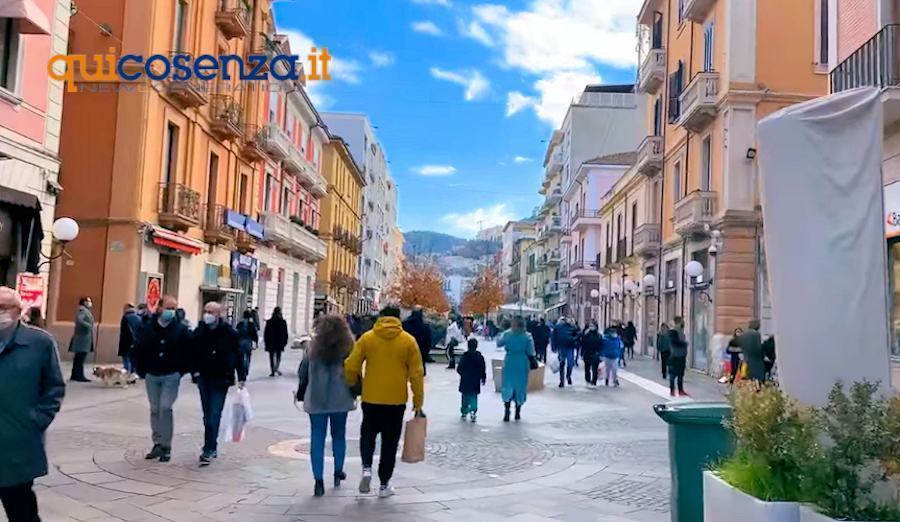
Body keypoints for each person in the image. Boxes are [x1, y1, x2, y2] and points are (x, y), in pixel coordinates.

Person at [0, 287, 65, 522]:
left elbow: (54, 387)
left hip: (19, 443)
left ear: (18, 311)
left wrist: (35, 420)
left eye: (3, 308)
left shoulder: (40, 343)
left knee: (22, 512)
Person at [345, 306, 424, 498]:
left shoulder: (368, 338)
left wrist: (353, 384)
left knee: (368, 434)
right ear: (398, 319)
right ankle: (384, 484)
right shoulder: (408, 341)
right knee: (390, 443)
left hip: (371, 397)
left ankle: (366, 469)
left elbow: (351, 365)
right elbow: (416, 373)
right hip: (396, 400)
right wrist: (418, 401)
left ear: (381, 317)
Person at [297, 315, 356, 497]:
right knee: (339, 435)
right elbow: (354, 370)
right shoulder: (348, 347)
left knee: (317, 438)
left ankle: (318, 480)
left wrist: (301, 391)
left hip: (317, 397)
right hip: (341, 398)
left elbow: (303, 372)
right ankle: (338, 471)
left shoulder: (312, 347)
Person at [134, 295, 191, 462]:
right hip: (152, 374)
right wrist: (142, 370)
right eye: (168, 308)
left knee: (165, 407)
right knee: (155, 408)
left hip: (171, 375)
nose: (171, 312)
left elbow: (188, 351)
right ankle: (157, 443)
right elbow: (139, 349)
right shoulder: (148, 327)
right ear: (159, 308)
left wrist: (181, 370)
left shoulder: (180, 329)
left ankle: (166, 445)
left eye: (174, 308)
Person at [190, 302, 246, 466]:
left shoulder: (230, 333)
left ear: (219, 314)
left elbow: (238, 356)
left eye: (211, 312)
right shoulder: (199, 331)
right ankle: (211, 444)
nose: (207, 314)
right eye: (206, 311)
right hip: (204, 378)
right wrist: (195, 372)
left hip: (221, 379)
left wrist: (241, 376)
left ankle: (208, 449)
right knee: (207, 414)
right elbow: (192, 353)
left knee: (214, 414)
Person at [497, 316, 535, 422]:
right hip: (522, 362)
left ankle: (506, 411)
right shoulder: (527, 336)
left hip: (509, 361)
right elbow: (531, 351)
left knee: (507, 385)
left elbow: (499, 343)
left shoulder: (507, 334)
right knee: (520, 386)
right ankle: (518, 411)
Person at [456, 337, 486, 422]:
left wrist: (462, 374)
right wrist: (483, 377)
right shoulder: (479, 357)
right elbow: (482, 369)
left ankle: (464, 411)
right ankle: (473, 410)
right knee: (473, 397)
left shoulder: (464, 357)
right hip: (475, 381)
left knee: (465, 397)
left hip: (465, 380)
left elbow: (459, 368)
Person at [69, 296, 95, 382]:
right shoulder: (83, 311)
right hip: (82, 338)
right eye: (88, 301)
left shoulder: (84, 310)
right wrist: (89, 326)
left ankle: (75, 375)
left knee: (78, 358)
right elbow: (79, 320)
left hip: (82, 338)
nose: (90, 303)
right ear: (84, 302)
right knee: (80, 358)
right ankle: (79, 375)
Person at [402, 307, 432, 374]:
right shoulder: (425, 327)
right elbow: (428, 342)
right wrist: (426, 353)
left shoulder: (404, 325)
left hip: (407, 354)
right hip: (421, 354)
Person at [552, 317, 577, 387]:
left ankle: (568, 376)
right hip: (561, 347)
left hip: (569, 347)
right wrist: (554, 346)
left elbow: (578, 334)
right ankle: (562, 381)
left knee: (570, 364)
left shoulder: (572, 327)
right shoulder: (558, 327)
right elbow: (554, 337)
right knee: (562, 364)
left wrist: (574, 341)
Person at [263, 307, 289, 377]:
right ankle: (276, 368)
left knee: (271, 357)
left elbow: (266, 333)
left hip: (271, 342)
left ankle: (273, 370)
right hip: (279, 342)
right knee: (278, 356)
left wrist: (266, 342)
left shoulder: (269, 322)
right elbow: (285, 333)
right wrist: (285, 342)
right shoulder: (283, 322)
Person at [118, 303, 142, 376]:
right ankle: (133, 375)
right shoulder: (138, 317)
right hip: (136, 341)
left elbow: (125, 331)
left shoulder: (126, 317)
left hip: (126, 341)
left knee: (126, 359)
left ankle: (127, 375)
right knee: (132, 359)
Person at [667, 317, 689, 397]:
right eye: (681, 323)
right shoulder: (672, 332)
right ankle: (672, 390)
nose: (683, 324)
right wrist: (685, 344)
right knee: (673, 374)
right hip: (675, 356)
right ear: (677, 323)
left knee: (681, 374)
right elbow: (675, 343)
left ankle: (680, 390)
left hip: (681, 355)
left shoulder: (680, 332)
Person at [236, 310, 258, 377]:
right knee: (248, 356)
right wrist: (256, 342)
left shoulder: (240, 324)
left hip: (240, 342)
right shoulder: (251, 324)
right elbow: (254, 334)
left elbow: (236, 333)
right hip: (248, 341)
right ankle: (246, 368)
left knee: (241, 356)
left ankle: (243, 367)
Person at [581, 321, 603, 386]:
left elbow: (601, 345)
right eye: (590, 326)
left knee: (595, 369)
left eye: (592, 326)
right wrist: (582, 353)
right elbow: (583, 344)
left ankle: (594, 381)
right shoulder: (586, 334)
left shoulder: (599, 335)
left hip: (595, 353)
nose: (591, 327)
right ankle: (588, 380)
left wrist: (600, 353)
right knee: (587, 368)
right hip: (587, 353)